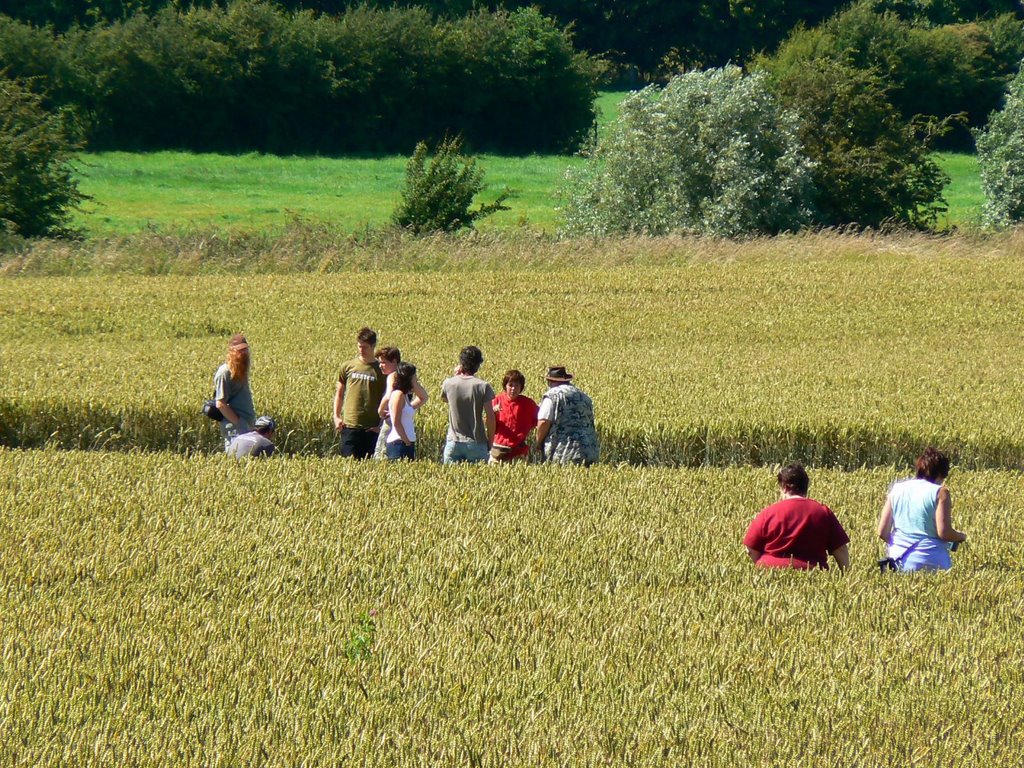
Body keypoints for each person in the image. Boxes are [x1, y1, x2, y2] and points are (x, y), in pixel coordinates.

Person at [743, 463, 850, 571]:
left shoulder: (768, 513)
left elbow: (750, 549)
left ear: (784, 488)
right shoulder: (823, 512)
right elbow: (840, 549)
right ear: (805, 487)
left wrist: (765, 568)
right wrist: (846, 576)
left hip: (770, 573)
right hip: (813, 575)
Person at [876, 447, 967, 572]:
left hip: (896, 560)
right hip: (931, 561)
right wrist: (961, 536)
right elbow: (944, 532)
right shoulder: (940, 492)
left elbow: (882, 532)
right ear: (941, 474)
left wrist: (900, 545)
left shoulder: (897, 489)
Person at [333, 327, 386, 460]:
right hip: (350, 425)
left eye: (365, 347)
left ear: (373, 346)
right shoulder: (347, 367)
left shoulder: (381, 370)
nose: (361, 350)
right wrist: (336, 416)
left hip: (371, 427)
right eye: (359, 346)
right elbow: (339, 393)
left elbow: (388, 397)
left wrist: (381, 425)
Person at [440, 346, 495, 464]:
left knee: (450, 480)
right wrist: (491, 443)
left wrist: (456, 375)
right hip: (476, 442)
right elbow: (490, 417)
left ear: (461, 363)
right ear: (478, 365)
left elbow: (446, 400)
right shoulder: (483, 386)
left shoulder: (448, 383)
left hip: (453, 442)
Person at [534, 366, 599, 466]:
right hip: (590, 450)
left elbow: (543, 422)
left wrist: (538, 442)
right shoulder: (584, 397)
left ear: (550, 381)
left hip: (563, 453)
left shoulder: (552, 395)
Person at [374, 346, 428, 459]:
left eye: (383, 362)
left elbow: (388, 395)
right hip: (401, 434)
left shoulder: (392, 376)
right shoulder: (406, 377)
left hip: (394, 432)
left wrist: (381, 411)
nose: (380, 366)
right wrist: (406, 408)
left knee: (381, 457)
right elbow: (424, 397)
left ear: (394, 361)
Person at [213, 333, 256, 452]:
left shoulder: (242, 369)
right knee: (236, 458)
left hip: (247, 423)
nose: (243, 354)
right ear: (232, 351)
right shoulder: (224, 372)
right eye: (240, 351)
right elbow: (220, 403)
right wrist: (239, 423)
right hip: (234, 426)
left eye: (245, 350)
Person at [490, 369, 538, 463]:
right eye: (510, 385)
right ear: (505, 386)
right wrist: (492, 414)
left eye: (517, 385)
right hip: (498, 449)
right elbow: (488, 425)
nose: (513, 389)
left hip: (518, 450)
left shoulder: (528, 404)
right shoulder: (496, 401)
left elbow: (541, 419)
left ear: (521, 387)